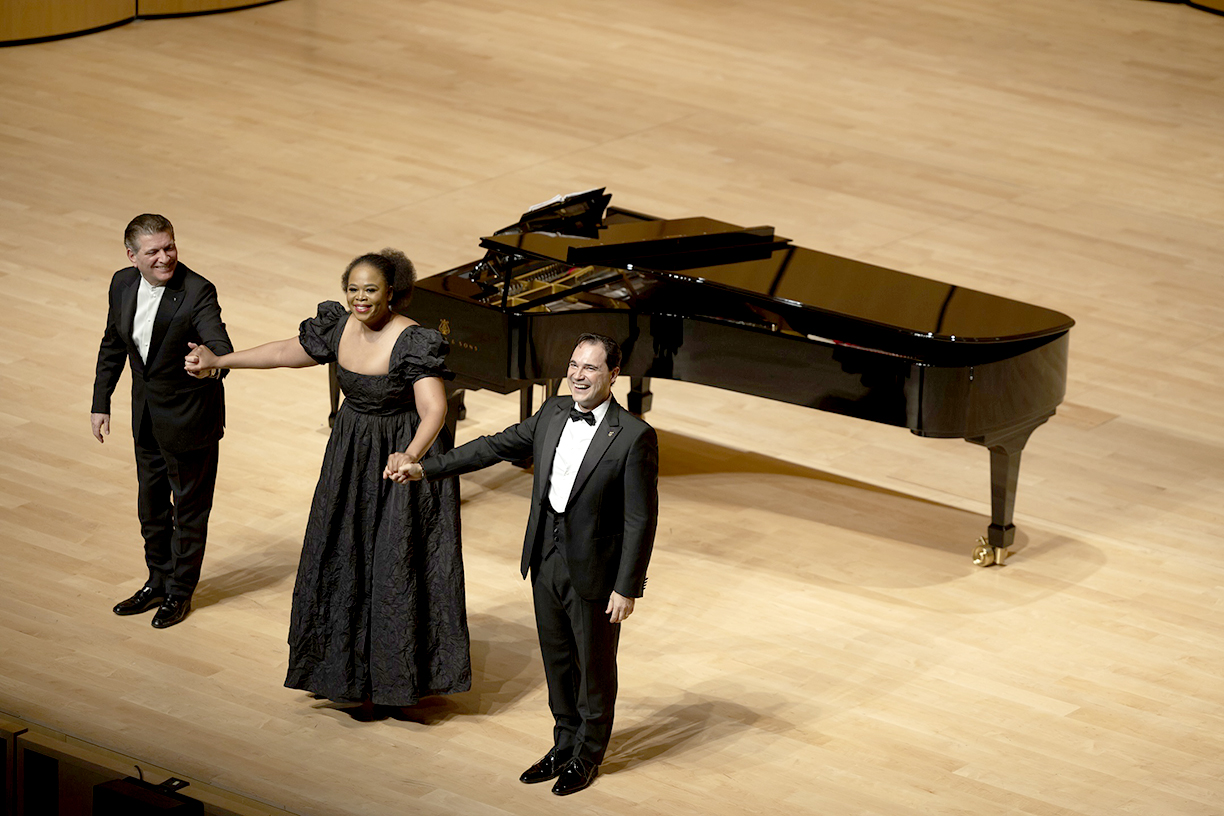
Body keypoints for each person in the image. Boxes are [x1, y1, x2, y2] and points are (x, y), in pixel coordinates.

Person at [184, 249, 469, 707]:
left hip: (399, 460)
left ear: (392, 291)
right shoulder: (337, 327)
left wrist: (410, 455)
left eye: (370, 289)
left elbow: (434, 409)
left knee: (395, 563)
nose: (359, 298)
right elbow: (283, 352)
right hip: (351, 454)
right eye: (353, 289)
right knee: (342, 551)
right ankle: (344, 674)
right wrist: (221, 360)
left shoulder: (414, 341)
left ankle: (397, 680)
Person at [390, 333, 659, 796]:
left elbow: (640, 519)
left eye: (591, 368)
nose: (578, 375)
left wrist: (627, 587)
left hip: (596, 571)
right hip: (544, 555)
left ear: (613, 375)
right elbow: (492, 446)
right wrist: (425, 467)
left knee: (593, 667)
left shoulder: (634, 436)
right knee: (556, 659)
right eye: (574, 364)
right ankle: (563, 743)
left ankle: (588, 755)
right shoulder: (554, 411)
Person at [92, 214, 233, 629]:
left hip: (191, 420)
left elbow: (219, 344)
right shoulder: (121, 283)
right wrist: (102, 403)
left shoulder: (197, 290)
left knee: (188, 510)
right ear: (132, 256)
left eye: (169, 247)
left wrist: (212, 363)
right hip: (147, 417)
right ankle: (157, 579)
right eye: (153, 251)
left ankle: (179, 591)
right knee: (151, 506)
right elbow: (112, 345)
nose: (164, 257)